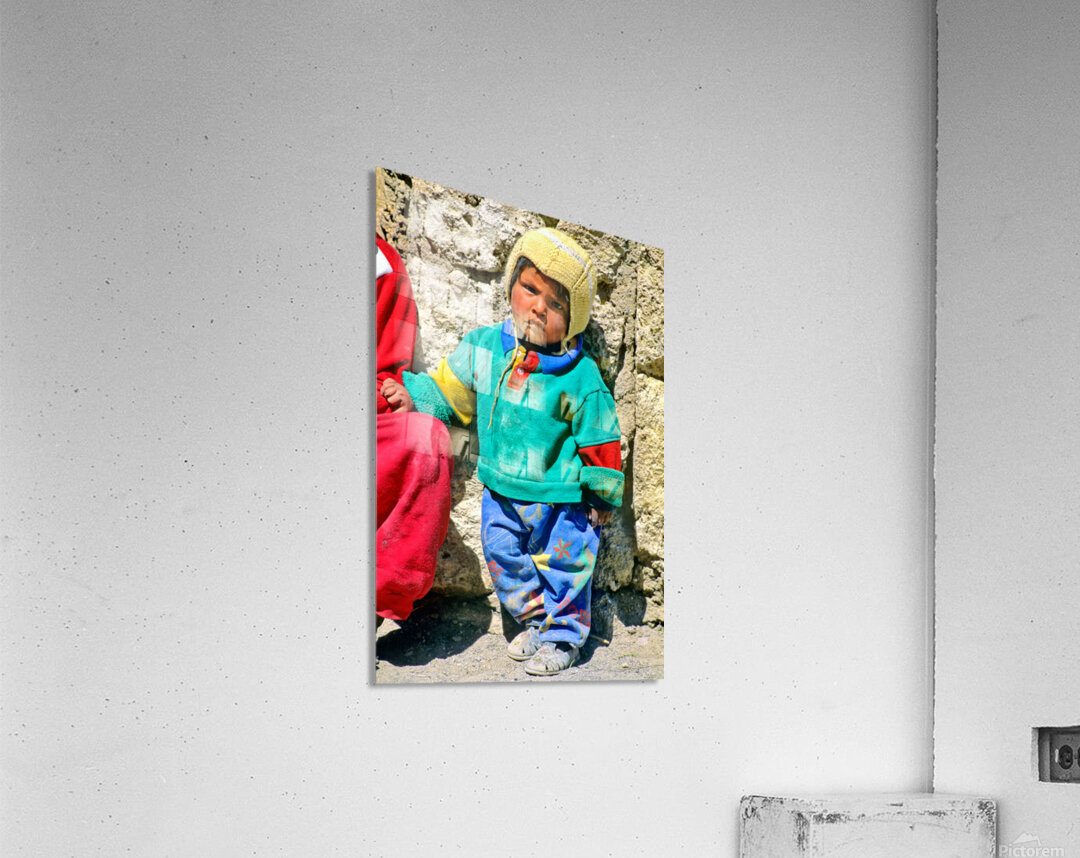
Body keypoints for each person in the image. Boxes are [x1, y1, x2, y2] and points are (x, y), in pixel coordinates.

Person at [380, 228, 623, 675]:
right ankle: (534, 621)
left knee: (566, 567)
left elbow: (601, 439)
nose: (537, 307)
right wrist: (416, 397)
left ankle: (565, 636)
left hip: (561, 500)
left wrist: (601, 495)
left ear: (572, 322)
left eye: (556, 304)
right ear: (511, 284)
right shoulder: (484, 347)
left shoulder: (579, 378)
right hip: (500, 491)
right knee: (503, 556)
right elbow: (450, 389)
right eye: (529, 289)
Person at [375, 235, 453, 623]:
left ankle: (375, 599)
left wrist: (411, 398)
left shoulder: (380, 267)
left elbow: (386, 370)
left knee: (427, 439)